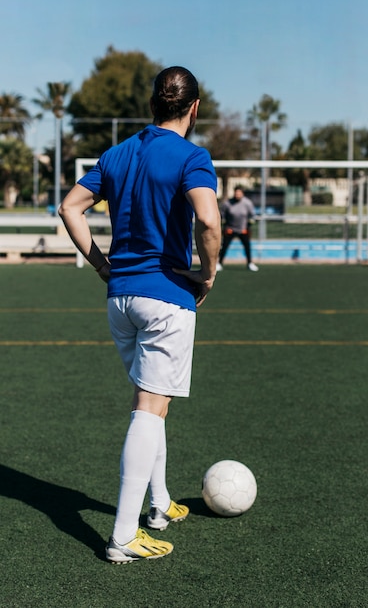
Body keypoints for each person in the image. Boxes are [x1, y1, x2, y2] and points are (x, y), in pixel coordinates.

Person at [59, 66, 221, 563]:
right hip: (166, 297)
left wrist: (102, 265)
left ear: (153, 104)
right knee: (149, 409)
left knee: (151, 402)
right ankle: (124, 536)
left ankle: (159, 503)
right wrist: (209, 274)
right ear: (193, 108)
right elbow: (209, 219)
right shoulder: (193, 157)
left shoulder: (115, 154)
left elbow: (70, 208)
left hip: (121, 299)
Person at [216, 186, 259, 271]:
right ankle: (219, 263)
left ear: (242, 194)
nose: (237, 194)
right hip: (230, 229)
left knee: (247, 246)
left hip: (243, 230)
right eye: (236, 193)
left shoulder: (247, 203)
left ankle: (250, 263)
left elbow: (252, 217)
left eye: (239, 193)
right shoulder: (227, 203)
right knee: (224, 246)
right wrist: (226, 227)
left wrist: (247, 227)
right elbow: (222, 216)